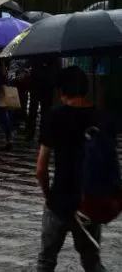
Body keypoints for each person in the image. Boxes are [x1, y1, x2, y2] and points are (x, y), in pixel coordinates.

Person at [36, 66, 110, 272]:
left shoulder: (54, 117)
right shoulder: (99, 118)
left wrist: (48, 195)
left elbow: (41, 168)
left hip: (59, 200)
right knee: (91, 261)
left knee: (46, 261)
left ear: (61, 91)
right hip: (89, 203)